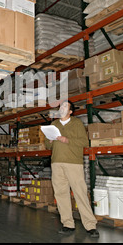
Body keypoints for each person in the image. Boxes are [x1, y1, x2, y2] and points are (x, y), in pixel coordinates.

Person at [45, 100, 99, 237]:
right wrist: (50, 140)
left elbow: (84, 142)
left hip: (73, 163)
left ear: (70, 111)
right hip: (56, 163)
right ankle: (67, 224)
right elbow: (47, 145)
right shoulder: (54, 124)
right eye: (61, 106)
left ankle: (90, 225)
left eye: (65, 106)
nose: (62, 108)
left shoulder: (76, 123)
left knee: (80, 193)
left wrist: (67, 140)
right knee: (61, 194)